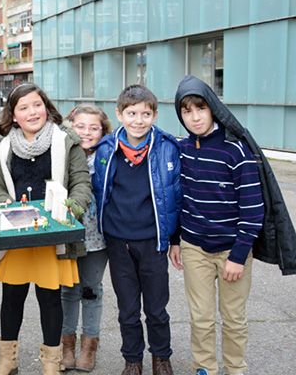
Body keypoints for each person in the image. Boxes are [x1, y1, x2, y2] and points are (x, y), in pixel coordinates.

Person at [0, 84, 91, 375]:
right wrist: (3, 202)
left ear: (46, 106)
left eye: (36, 104)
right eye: (23, 107)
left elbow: (81, 181)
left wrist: (74, 205)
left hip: (52, 233)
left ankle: (51, 363)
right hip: (16, 234)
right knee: (12, 297)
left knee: (49, 298)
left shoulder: (66, 140)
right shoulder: (4, 146)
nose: (32, 111)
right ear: (14, 115)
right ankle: (7, 360)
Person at [168, 75, 265, 375]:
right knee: (201, 318)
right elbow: (177, 198)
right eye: (187, 111)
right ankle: (205, 368)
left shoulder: (236, 151)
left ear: (213, 109)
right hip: (194, 247)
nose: (194, 117)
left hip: (231, 251)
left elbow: (253, 209)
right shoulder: (181, 149)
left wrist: (238, 256)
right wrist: (175, 239)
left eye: (201, 108)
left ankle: (236, 368)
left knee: (233, 318)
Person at [91, 85, 181, 375]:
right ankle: (132, 359)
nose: (138, 120)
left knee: (156, 307)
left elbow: (176, 195)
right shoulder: (107, 148)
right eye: (131, 113)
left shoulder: (167, 147)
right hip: (118, 240)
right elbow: (97, 189)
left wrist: (175, 238)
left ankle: (161, 357)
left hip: (153, 241)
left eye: (145, 113)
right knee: (127, 307)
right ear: (119, 114)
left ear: (154, 115)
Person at [59, 104, 112, 372]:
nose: (87, 132)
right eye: (80, 126)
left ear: (103, 131)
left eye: (94, 128)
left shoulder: (108, 156)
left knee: (91, 288)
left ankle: (89, 345)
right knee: (68, 289)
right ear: (70, 125)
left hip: (98, 236)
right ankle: (66, 344)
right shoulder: (62, 153)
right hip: (69, 233)